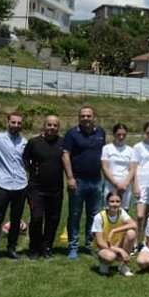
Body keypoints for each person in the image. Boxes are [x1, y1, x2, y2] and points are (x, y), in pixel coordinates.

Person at [63, 106, 107, 259]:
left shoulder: (100, 133)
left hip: (96, 181)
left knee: (94, 216)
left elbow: (104, 156)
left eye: (88, 115)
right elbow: (65, 155)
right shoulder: (72, 134)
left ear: (93, 117)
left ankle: (90, 244)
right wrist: (70, 177)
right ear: (79, 117)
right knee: (75, 214)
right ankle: (73, 246)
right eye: (83, 116)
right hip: (78, 181)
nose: (86, 118)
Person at [0, 112, 28, 262]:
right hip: (3, 185)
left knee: (16, 219)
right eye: (13, 122)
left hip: (21, 185)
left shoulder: (25, 142)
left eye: (19, 123)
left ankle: (11, 248)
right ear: (8, 122)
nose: (16, 125)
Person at [24, 115, 66, 259]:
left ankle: (47, 246)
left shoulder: (63, 143)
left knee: (53, 219)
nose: (52, 128)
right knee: (36, 218)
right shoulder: (34, 142)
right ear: (44, 126)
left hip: (56, 188)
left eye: (55, 125)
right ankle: (34, 247)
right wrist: (33, 170)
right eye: (49, 125)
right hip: (36, 188)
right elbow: (25, 158)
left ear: (58, 128)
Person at [92, 190, 137, 276]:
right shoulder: (99, 217)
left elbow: (134, 225)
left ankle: (123, 266)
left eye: (117, 201)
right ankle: (104, 263)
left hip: (117, 244)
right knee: (110, 256)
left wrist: (114, 231)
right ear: (107, 203)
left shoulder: (121, 212)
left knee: (131, 233)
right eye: (112, 201)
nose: (115, 204)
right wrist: (119, 250)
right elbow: (100, 243)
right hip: (103, 248)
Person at [100, 123, 135, 210]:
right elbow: (105, 167)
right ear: (114, 134)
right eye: (119, 134)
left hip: (125, 185)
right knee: (110, 209)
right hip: (111, 184)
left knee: (123, 211)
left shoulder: (131, 150)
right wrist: (116, 184)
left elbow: (132, 169)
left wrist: (125, 184)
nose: (121, 137)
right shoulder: (107, 148)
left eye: (124, 135)